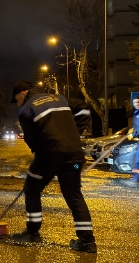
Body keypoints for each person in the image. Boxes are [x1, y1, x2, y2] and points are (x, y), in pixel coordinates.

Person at [10, 80, 97, 253]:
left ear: (22, 93)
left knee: (32, 188)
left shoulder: (26, 109)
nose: (17, 103)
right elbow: (84, 108)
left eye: (16, 99)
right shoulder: (59, 98)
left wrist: (39, 152)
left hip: (49, 155)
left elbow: (31, 139)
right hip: (73, 154)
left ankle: (32, 233)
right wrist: (75, 133)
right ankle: (87, 241)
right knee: (74, 195)